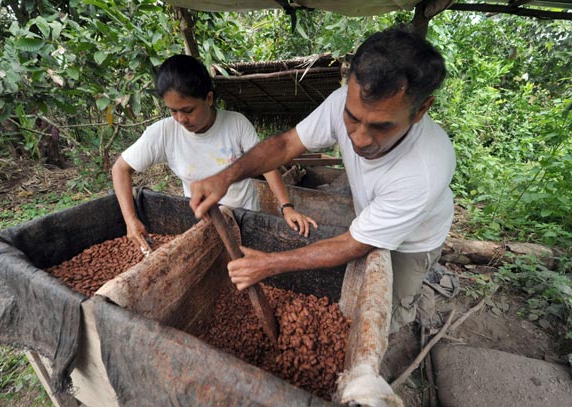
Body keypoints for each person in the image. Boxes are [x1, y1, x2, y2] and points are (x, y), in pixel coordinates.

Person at [189, 26, 456, 333]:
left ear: (421, 109)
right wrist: (226, 176)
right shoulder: (341, 100)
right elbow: (288, 144)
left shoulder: (423, 171)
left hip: (415, 241)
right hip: (375, 214)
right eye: (352, 118)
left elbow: (355, 243)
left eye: (381, 126)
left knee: (387, 308)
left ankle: (395, 332)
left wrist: (269, 264)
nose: (359, 138)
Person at [112, 54, 317, 253]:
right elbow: (120, 168)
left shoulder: (236, 124)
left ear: (209, 98)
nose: (181, 119)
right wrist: (131, 220)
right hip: (203, 222)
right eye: (173, 111)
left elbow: (268, 165)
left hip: (245, 219)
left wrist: (286, 207)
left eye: (188, 110)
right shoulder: (164, 133)